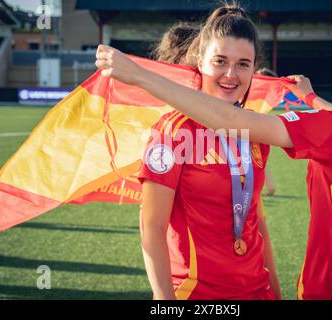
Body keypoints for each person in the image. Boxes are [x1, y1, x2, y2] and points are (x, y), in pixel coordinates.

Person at [96, 18, 332, 299]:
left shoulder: (329, 130)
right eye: (220, 61)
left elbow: (236, 125)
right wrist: (311, 99)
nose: (231, 74)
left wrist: (139, 75)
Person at [112, 5, 282, 300]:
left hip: (257, 291)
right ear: (200, 62)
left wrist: (276, 292)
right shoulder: (173, 131)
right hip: (194, 294)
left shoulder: (255, 130)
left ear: (254, 68)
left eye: (243, 64)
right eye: (220, 61)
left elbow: (257, 222)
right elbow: (152, 227)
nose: (231, 74)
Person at [256, 68, 278, 196]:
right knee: (259, 160)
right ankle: (269, 187)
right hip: (256, 128)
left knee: (257, 160)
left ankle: (268, 187)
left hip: (254, 129)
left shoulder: (259, 97)